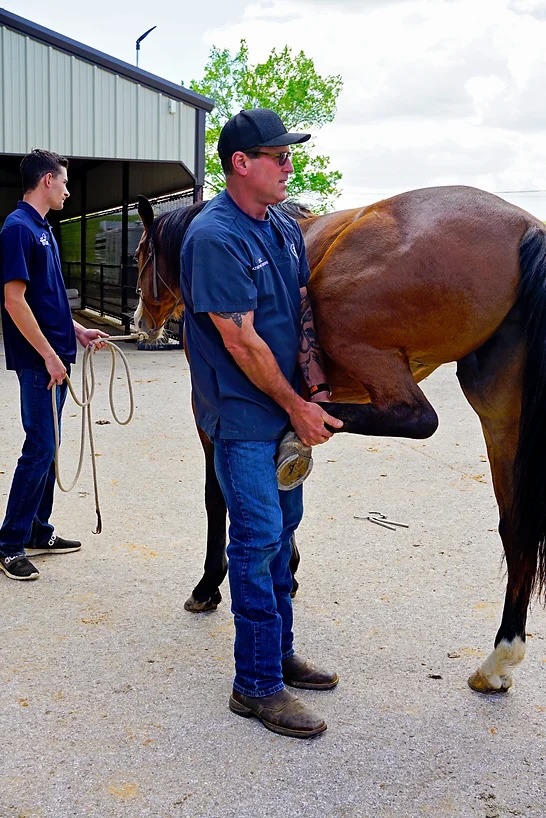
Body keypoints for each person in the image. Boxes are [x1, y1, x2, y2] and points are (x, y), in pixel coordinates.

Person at [180, 108, 344, 738]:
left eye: (288, 154)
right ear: (240, 164)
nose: (289, 164)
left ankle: (278, 654)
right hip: (245, 417)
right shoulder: (214, 237)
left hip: (282, 416)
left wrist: (316, 389)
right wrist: (296, 407)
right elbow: (242, 342)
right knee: (254, 543)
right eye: (278, 155)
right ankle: (254, 686)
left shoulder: (277, 226)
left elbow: (300, 309)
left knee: (282, 535)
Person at [0, 149, 108, 581]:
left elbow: (50, 297)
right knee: (40, 447)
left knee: (50, 447)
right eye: (63, 181)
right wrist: (47, 354)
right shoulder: (17, 230)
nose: (67, 189)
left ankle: (38, 530)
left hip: (57, 356)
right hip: (39, 362)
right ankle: (9, 544)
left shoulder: (42, 228)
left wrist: (77, 331)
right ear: (47, 180)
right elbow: (13, 300)